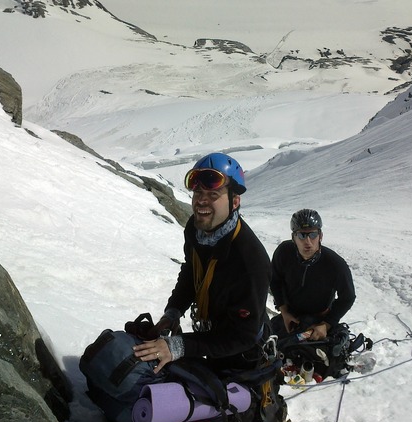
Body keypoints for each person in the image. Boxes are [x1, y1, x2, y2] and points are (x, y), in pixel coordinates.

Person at [133, 152, 271, 374]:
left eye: (213, 194)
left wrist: (179, 346)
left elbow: (242, 336)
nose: (201, 201)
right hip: (212, 335)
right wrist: (174, 311)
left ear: (235, 202)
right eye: (198, 192)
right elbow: (192, 271)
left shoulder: (249, 260)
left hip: (243, 357)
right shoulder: (196, 229)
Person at [270, 209, 355, 342]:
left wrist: (326, 325)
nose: (308, 241)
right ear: (294, 237)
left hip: (318, 320)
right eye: (302, 235)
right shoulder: (284, 253)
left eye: (313, 234)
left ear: (320, 236)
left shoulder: (334, 264)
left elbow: (348, 297)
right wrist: (284, 311)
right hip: (290, 315)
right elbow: (275, 280)